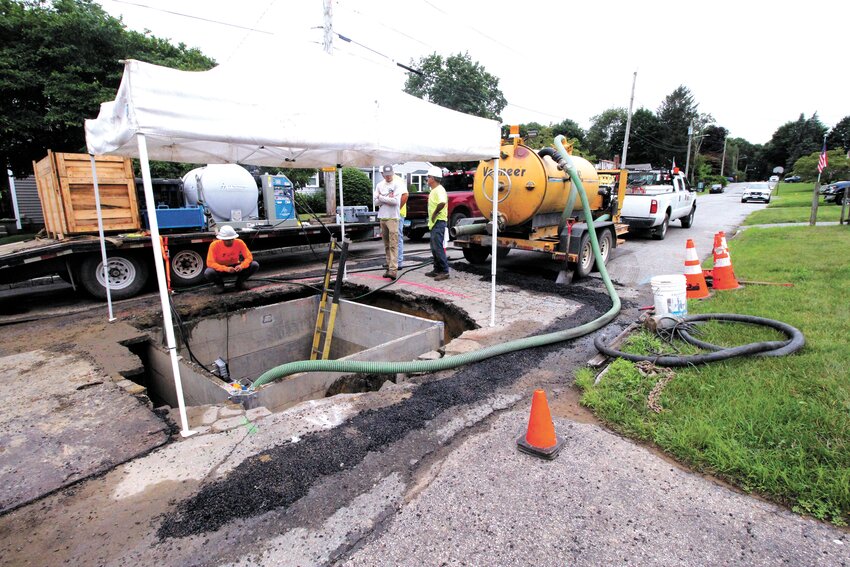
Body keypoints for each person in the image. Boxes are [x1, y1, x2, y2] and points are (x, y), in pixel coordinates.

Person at [373, 164, 408, 279]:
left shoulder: (397, 184)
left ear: (392, 173)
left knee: (393, 244)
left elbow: (395, 201)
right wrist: (385, 199)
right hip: (383, 217)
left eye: (389, 175)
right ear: (383, 174)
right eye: (386, 175)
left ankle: (393, 269)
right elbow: (375, 202)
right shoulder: (379, 185)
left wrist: (381, 197)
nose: (388, 177)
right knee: (386, 244)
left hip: (393, 217)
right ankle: (389, 266)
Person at [204, 225, 259, 292]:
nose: (230, 242)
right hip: (222, 269)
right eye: (227, 240)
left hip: (235, 267)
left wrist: (241, 266)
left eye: (231, 239)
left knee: (254, 265)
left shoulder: (239, 242)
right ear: (222, 239)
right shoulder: (214, 245)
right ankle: (220, 285)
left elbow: (249, 257)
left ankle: (239, 283)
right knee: (209, 272)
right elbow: (210, 263)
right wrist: (225, 269)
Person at [424, 166, 449, 281]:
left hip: (439, 222)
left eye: (428, 177)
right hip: (434, 223)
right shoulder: (434, 190)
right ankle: (437, 269)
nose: (426, 179)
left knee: (437, 247)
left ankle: (444, 271)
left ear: (433, 178)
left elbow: (442, 202)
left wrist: (434, 214)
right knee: (434, 248)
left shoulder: (439, 190)